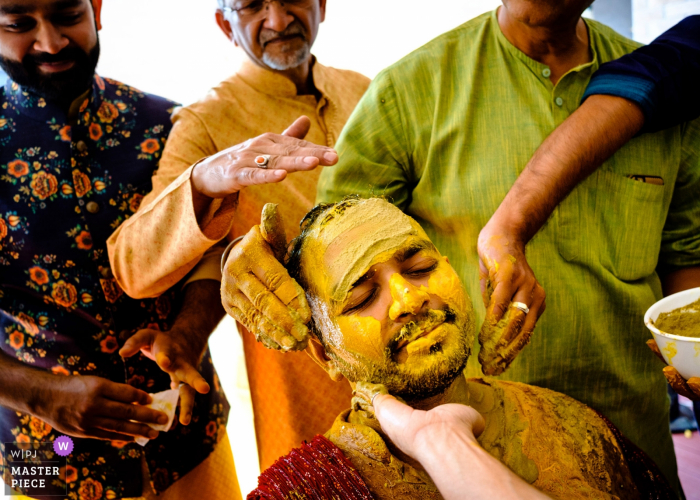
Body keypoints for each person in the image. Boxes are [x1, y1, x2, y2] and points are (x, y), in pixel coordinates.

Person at [310, 2, 700, 495]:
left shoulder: (668, 89)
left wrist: (691, 356)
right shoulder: (410, 91)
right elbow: (334, 253)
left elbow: (685, 258)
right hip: (473, 441)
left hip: (634, 433)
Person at [247, 197, 674, 500]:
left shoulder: (572, 423)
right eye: (361, 298)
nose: (409, 300)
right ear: (325, 355)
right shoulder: (304, 490)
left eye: (420, 268)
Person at [106, 0, 370, 467]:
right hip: (308, 382)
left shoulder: (364, 91)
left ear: (323, 6)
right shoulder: (207, 122)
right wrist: (206, 179)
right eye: (250, 5)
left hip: (410, 353)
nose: (277, 19)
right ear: (225, 23)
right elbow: (131, 264)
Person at [0, 1, 233, 498]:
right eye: (19, 24)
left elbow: (214, 249)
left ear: (97, 9)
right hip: (41, 459)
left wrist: (189, 332)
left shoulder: (171, 126)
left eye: (67, 15)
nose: (51, 42)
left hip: (190, 438)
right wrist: (42, 395)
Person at [477, 14, 700, 401]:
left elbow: (685, 252)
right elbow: (646, 83)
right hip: (483, 410)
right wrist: (509, 227)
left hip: (635, 417)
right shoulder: (407, 86)